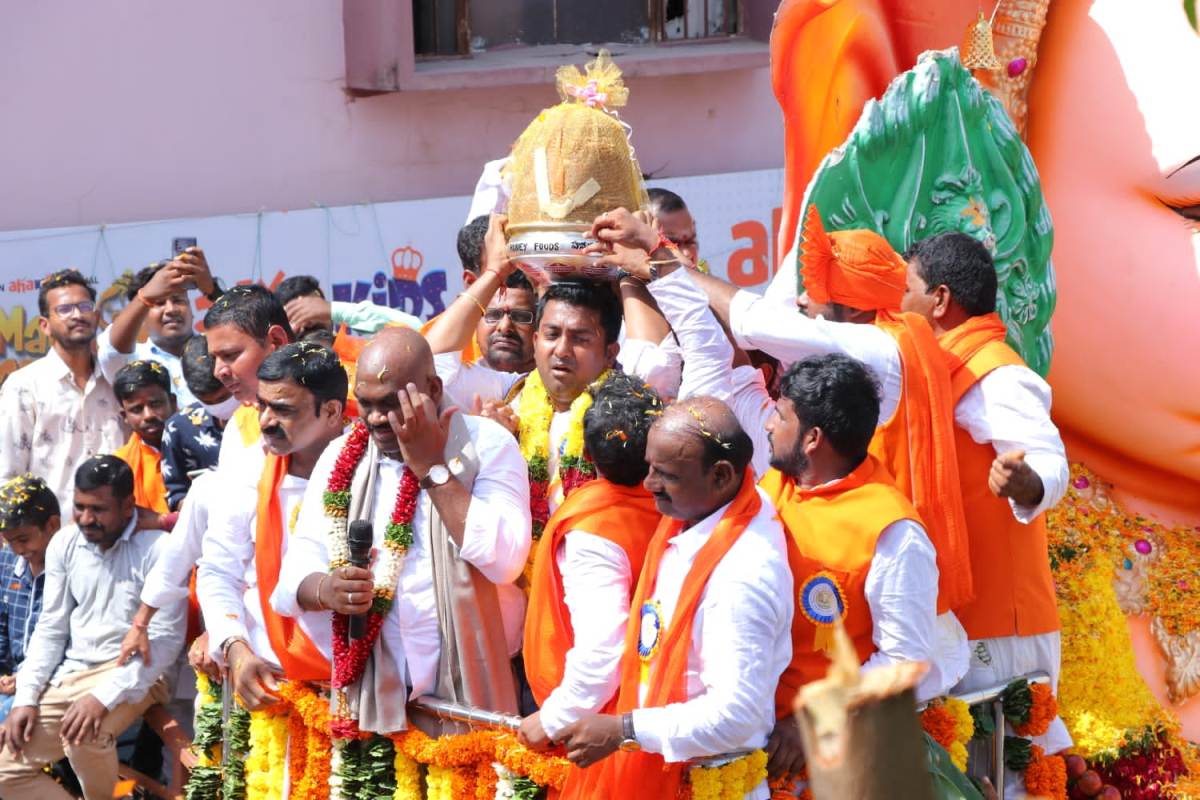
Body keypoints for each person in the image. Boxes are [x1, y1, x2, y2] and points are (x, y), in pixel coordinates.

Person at [592, 206, 974, 617]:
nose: (802, 299)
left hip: (880, 587)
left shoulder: (878, 349)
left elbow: (750, 322)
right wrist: (654, 271)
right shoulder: (781, 450)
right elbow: (726, 360)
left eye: (818, 291)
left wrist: (658, 253)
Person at [273, 327, 531, 734]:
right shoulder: (343, 454)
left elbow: (505, 561)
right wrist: (327, 589)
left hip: (468, 701)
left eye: (391, 404)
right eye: (367, 404)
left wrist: (432, 468)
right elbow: (293, 573)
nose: (375, 419)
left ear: (433, 387)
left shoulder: (487, 445)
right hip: (374, 705)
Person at [557, 397, 793, 800]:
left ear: (720, 476)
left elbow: (736, 716)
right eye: (650, 467)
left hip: (708, 784)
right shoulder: (701, 515)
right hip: (661, 768)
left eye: (665, 475)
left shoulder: (743, 573)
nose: (648, 485)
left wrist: (624, 731)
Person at [902, 232, 1071, 754]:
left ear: (940, 300)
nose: (899, 301)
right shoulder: (942, 365)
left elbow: (1047, 458)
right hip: (971, 625)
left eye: (907, 287)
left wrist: (1027, 482)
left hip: (1000, 629)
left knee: (1008, 780)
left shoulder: (991, 371)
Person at [760, 354, 948, 775]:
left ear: (812, 439)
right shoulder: (777, 482)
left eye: (780, 415)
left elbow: (905, 661)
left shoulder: (894, 534)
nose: (769, 425)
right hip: (756, 734)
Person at [0, 456, 185, 800]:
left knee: (84, 735)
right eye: (80, 507)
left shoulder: (159, 549)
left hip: (139, 673)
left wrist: (101, 697)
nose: (86, 519)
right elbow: (51, 628)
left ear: (128, 504)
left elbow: (164, 644)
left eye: (98, 509)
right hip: (72, 673)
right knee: (5, 774)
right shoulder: (65, 543)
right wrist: (25, 697)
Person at [519, 372, 663, 750]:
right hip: (640, 715)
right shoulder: (682, 505)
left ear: (585, 455)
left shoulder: (594, 530)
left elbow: (603, 651)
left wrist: (553, 720)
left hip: (601, 730)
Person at [197, 343, 345, 708]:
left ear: (331, 411)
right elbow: (218, 571)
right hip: (270, 686)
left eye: (283, 409)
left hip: (361, 691)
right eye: (262, 405)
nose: (265, 421)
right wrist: (235, 648)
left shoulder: (376, 469)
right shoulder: (248, 471)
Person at [0, 270, 127, 513]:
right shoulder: (24, 386)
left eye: (84, 306)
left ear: (97, 316)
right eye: (65, 309)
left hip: (122, 530)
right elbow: (7, 474)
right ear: (44, 325)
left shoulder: (117, 378)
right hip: (53, 535)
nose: (77, 315)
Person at [96, 251, 223, 409]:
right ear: (142, 316)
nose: (171, 309)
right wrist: (145, 297)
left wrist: (212, 291)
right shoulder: (134, 361)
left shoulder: (218, 350)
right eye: (159, 303)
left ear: (191, 310)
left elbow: (248, 331)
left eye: (178, 300)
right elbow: (112, 350)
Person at [203, 284, 295, 481]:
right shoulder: (238, 426)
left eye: (230, 355)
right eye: (214, 359)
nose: (219, 372)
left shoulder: (351, 404)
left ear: (277, 342)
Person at [0, 476, 60, 724]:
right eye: (8, 541)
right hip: (9, 683)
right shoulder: (6, 561)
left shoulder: (74, 567)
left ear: (53, 525)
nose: (16, 550)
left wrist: (23, 679)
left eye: (23, 540)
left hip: (51, 683)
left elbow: (66, 643)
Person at [160, 335, 235, 510]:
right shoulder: (179, 428)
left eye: (224, 398)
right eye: (208, 401)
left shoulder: (261, 413)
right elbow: (175, 493)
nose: (218, 407)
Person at [112, 360, 177, 514]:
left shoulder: (199, 446)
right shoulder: (120, 465)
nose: (148, 415)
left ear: (173, 402)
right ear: (124, 416)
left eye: (155, 404)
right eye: (137, 409)